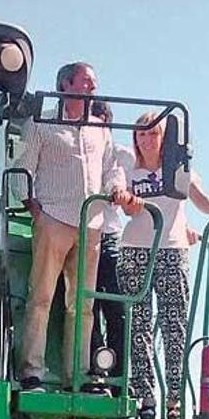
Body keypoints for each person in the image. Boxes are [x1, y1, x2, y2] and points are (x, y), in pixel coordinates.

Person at [13, 62, 141, 392]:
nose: (92, 89)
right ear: (65, 85)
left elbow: (112, 168)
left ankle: (79, 374)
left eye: (93, 83)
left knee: (83, 304)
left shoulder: (101, 129)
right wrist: (37, 212)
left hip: (92, 224)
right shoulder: (41, 123)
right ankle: (31, 372)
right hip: (54, 220)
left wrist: (116, 189)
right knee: (41, 297)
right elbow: (21, 172)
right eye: (86, 82)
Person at [118, 111, 209, 419]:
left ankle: (174, 399)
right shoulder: (128, 168)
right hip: (135, 250)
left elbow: (197, 197)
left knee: (175, 327)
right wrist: (128, 202)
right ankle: (145, 397)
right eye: (140, 134)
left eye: (152, 134)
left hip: (171, 251)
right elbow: (126, 208)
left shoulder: (179, 170)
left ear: (164, 137)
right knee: (139, 326)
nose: (146, 140)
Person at [88, 101, 135, 382]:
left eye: (100, 120)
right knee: (86, 307)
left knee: (116, 305)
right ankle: (95, 368)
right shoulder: (75, 152)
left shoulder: (122, 156)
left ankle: (119, 377)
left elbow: (142, 188)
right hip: (80, 233)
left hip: (109, 235)